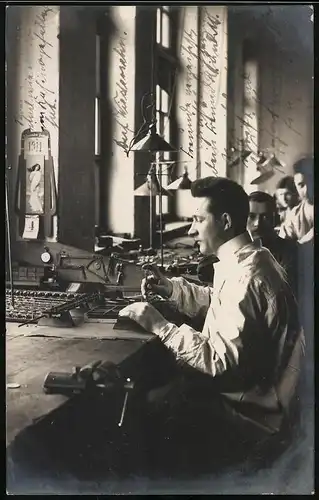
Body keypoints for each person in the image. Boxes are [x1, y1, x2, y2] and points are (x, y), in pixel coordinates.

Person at [119, 176, 305, 472]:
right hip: (257, 393)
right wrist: (172, 289)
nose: (192, 229)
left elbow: (219, 361)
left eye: (198, 219)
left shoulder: (246, 277)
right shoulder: (251, 258)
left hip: (252, 411)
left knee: (144, 410)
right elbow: (220, 301)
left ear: (226, 221)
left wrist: (160, 326)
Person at [247, 191, 298, 296]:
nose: (257, 223)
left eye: (265, 217)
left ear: (275, 219)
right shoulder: (234, 251)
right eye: (251, 216)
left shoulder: (290, 252)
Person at [279, 157, 314, 244]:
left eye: (311, 182)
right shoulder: (293, 217)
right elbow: (283, 248)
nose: (306, 189)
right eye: (301, 185)